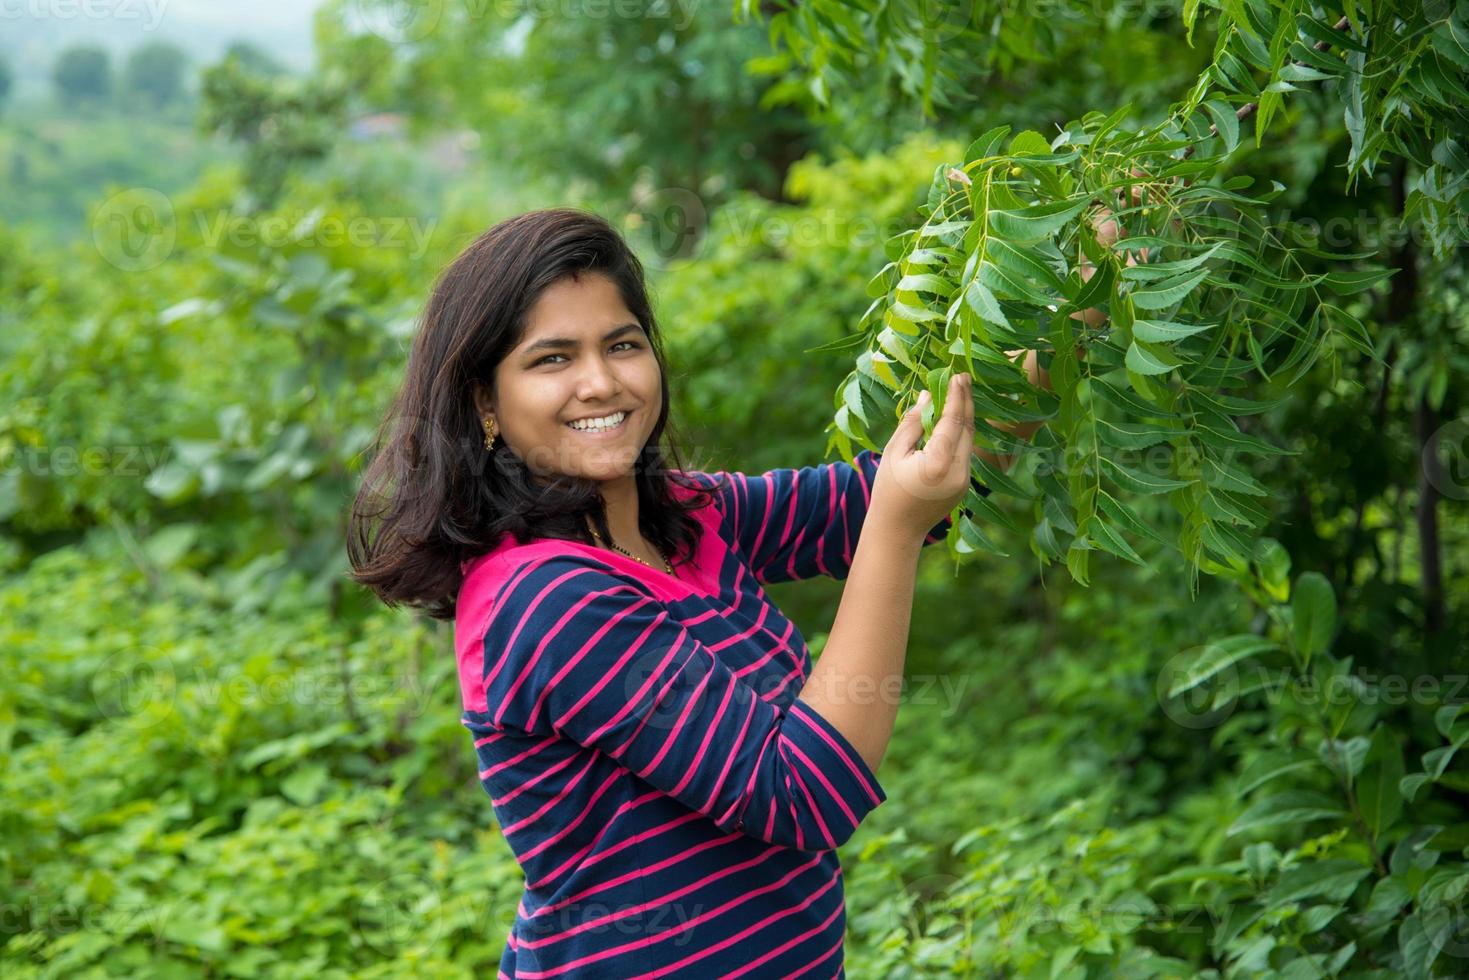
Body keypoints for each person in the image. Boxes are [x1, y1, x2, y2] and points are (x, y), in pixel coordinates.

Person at [346, 207, 1080, 977]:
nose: (600, 382)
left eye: (622, 345)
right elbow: (803, 790)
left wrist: (1077, 307)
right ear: (485, 403)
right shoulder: (546, 599)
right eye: (551, 359)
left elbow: (893, 487)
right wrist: (896, 528)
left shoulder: (688, 520)